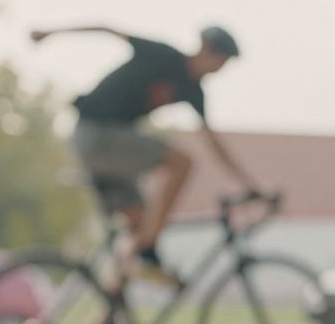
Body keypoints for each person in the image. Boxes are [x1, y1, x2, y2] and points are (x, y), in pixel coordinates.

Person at [30, 24, 260, 285]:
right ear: (206, 48)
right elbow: (107, 29)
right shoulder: (163, 56)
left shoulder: (193, 91)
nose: (219, 69)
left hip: (110, 151)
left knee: (136, 234)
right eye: (220, 61)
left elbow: (214, 144)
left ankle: (109, 317)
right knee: (182, 164)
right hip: (96, 133)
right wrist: (51, 32)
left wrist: (249, 184)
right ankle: (149, 247)